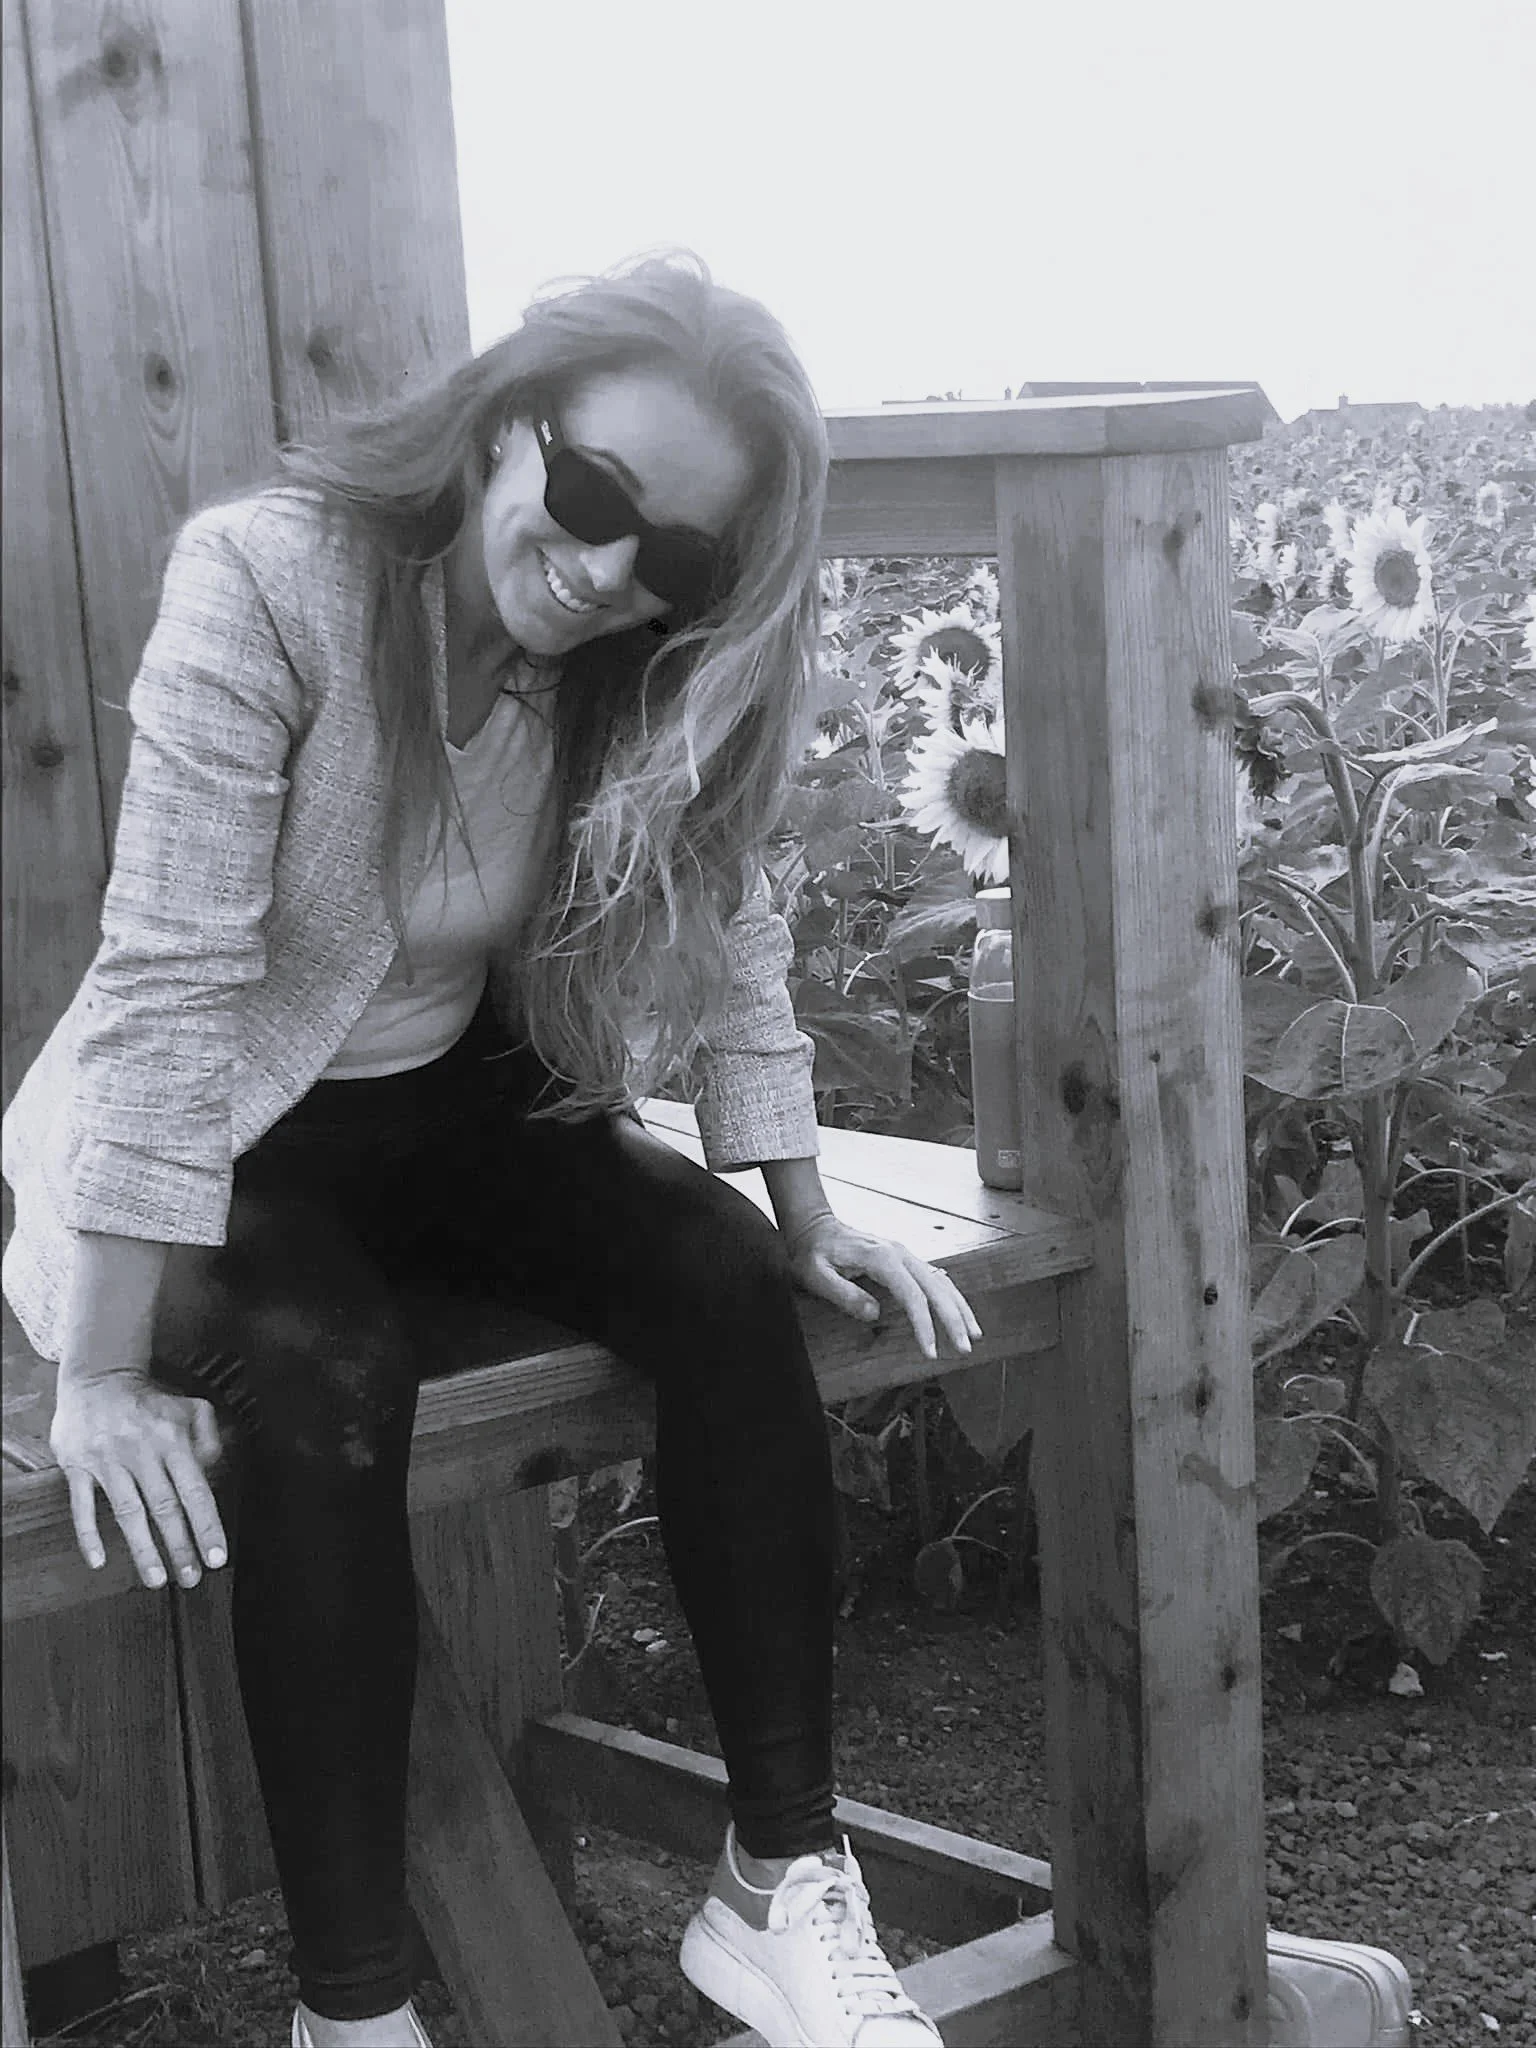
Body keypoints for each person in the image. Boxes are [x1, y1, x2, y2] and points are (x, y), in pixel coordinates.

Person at [1, 252, 979, 2048]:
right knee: (323, 1378)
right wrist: (98, 1366)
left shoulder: (636, 661)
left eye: (668, 554)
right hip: (225, 1118)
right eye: (594, 493)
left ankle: (778, 1884)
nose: (606, 568)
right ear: (507, 417)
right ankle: (353, 2014)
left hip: (452, 1090)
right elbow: (164, 978)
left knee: (717, 1273)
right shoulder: (269, 581)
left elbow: (733, 898)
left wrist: (805, 1202)